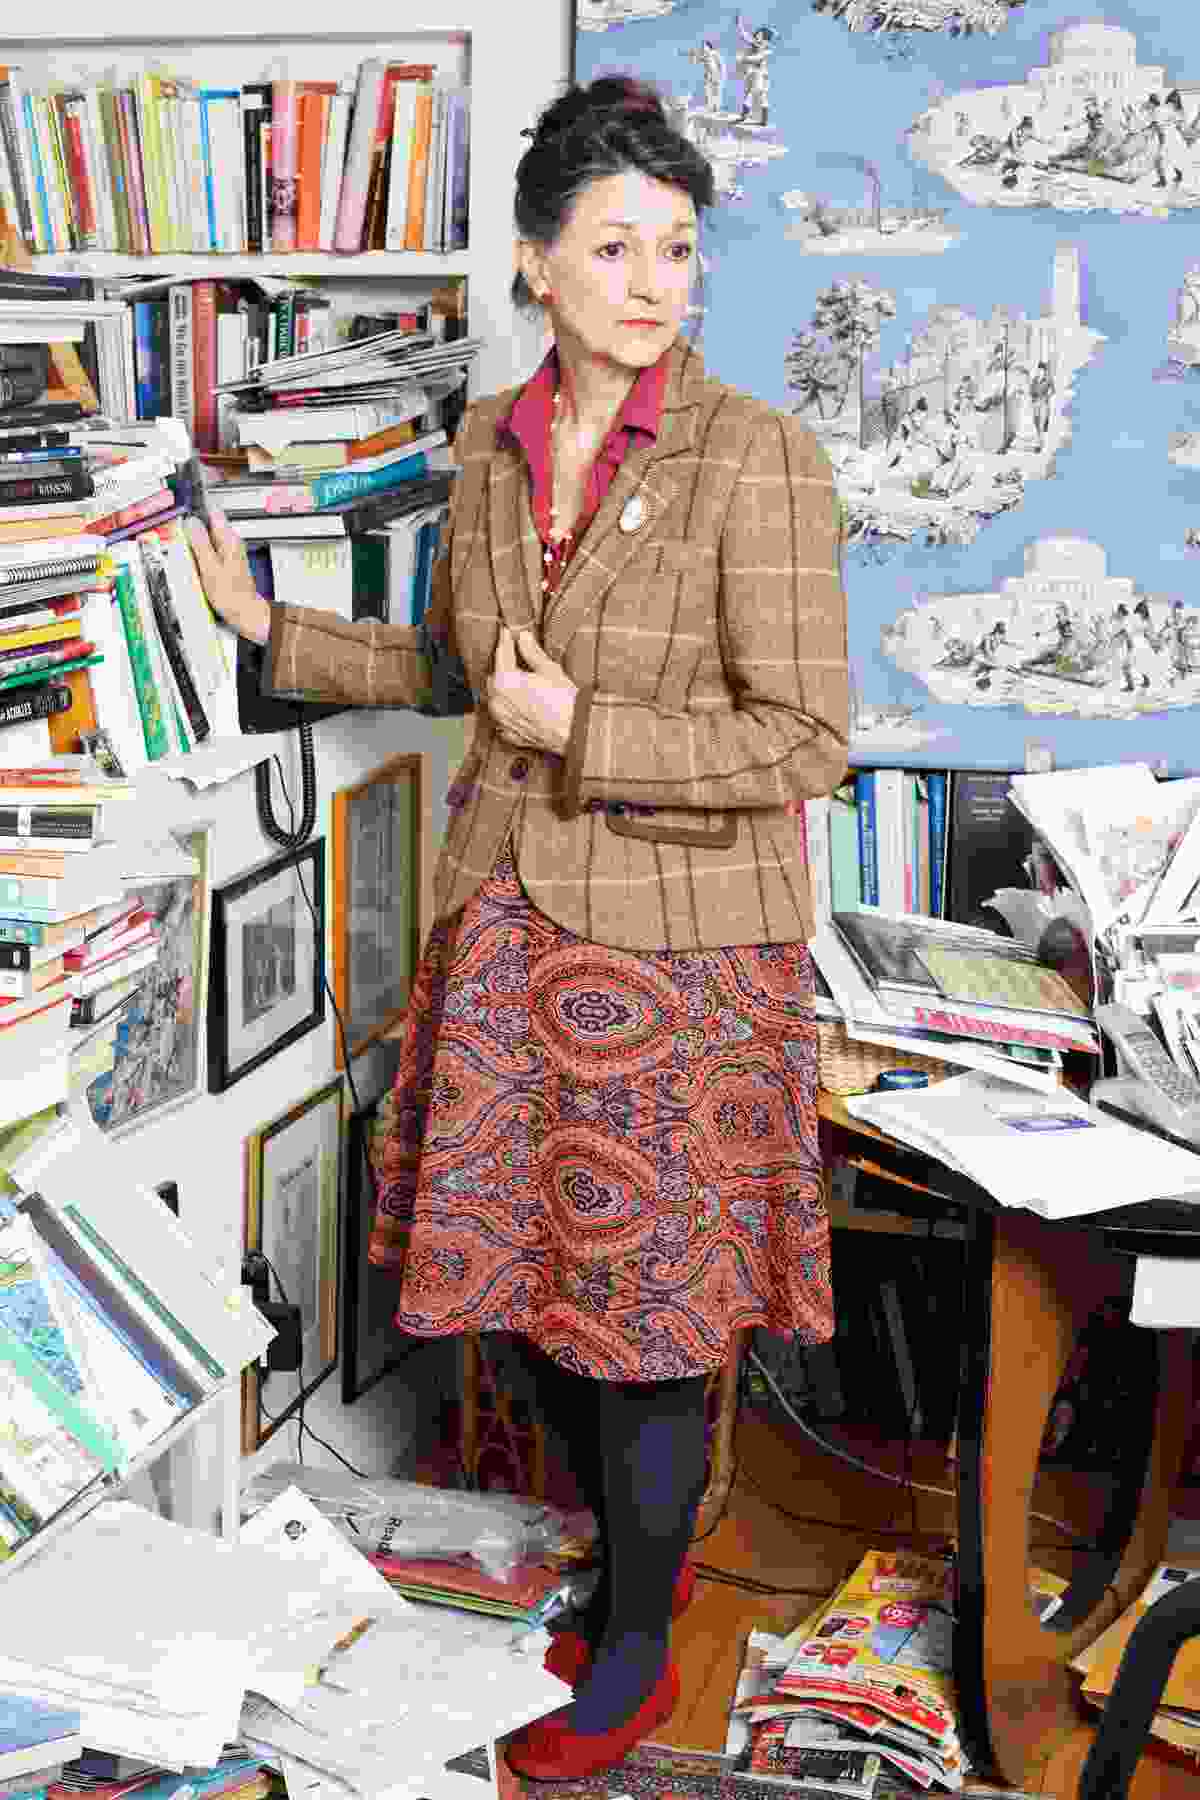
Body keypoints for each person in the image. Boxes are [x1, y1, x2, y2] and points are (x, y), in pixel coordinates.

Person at [187, 74, 849, 1785]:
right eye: (614, 247)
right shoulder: (491, 440)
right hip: (511, 929)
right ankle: (631, 1561)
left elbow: (805, 744)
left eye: (678, 249)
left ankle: (635, 1632)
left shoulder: (759, 457)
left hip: (686, 952)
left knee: (647, 1324)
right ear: (537, 266)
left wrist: (589, 731)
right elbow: (454, 666)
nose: (652, 282)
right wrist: (270, 628)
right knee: (533, 1294)